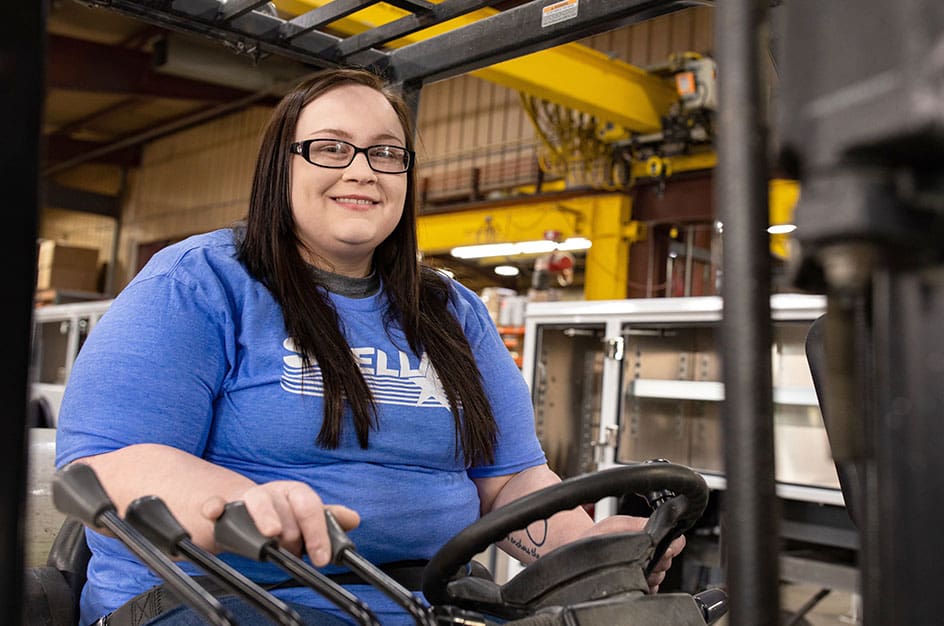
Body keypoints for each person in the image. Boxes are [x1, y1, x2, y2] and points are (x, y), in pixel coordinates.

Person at [55, 67, 685, 626]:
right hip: (214, 599)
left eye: (387, 153)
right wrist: (242, 504)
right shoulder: (199, 282)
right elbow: (106, 466)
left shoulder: (451, 312)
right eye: (331, 148)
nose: (362, 169)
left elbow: (506, 481)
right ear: (282, 165)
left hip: (426, 603)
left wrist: (595, 551)